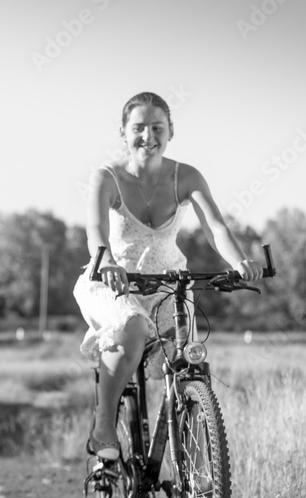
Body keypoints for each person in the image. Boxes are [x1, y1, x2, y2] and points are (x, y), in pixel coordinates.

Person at [73, 92, 263, 461]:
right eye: (138, 128)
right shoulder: (107, 177)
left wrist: (240, 261)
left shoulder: (186, 176)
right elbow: (95, 229)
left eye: (157, 127)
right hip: (114, 280)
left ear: (170, 131)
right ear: (123, 133)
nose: (148, 136)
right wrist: (107, 261)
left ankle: (190, 460)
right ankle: (103, 426)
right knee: (131, 329)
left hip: (167, 285)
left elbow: (216, 227)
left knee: (187, 362)